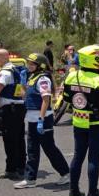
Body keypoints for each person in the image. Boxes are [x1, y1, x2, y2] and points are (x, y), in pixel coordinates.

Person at [63, 43, 99, 196]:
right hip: (97, 123)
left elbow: (66, 98)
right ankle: (92, 194)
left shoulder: (72, 76)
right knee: (93, 159)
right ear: (94, 60)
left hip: (79, 122)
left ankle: (73, 192)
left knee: (77, 157)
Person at [14, 53, 70, 189]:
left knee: (49, 148)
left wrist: (41, 119)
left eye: (32, 64)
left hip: (42, 118)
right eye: (29, 64)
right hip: (32, 118)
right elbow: (24, 96)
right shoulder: (32, 77)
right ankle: (30, 179)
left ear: (41, 66)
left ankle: (66, 173)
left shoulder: (43, 79)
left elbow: (46, 100)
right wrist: (22, 84)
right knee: (32, 149)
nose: (29, 66)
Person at [0, 49, 26, 179]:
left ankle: (11, 169)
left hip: (10, 110)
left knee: (10, 140)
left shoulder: (3, 72)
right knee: (19, 138)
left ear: (4, 58)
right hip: (20, 107)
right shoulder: (17, 70)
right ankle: (21, 166)